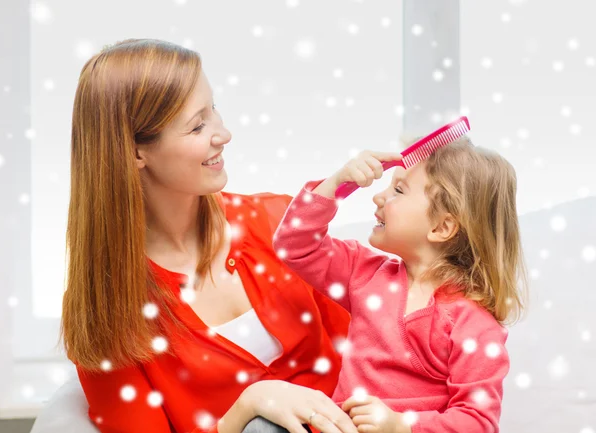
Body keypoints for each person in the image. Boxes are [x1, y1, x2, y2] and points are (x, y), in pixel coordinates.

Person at [61, 38, 357, 433]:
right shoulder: (107, 307)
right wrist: (247, 407)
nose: (224, 134)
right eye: (197, 125)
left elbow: (369, 355)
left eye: (213, 109)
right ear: (135, 153)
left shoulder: (282, 227)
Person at [272, 140, 528, 433]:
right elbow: (294, 245)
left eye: (398, 190)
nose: (378, 197)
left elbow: (478, 422)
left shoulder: (474, 325)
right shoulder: (364, 273)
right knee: (262, 425)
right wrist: (337, 184)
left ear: (442, 227)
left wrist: (401, 425)